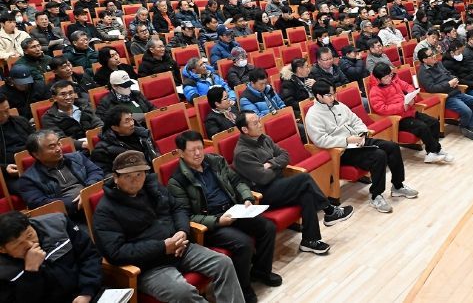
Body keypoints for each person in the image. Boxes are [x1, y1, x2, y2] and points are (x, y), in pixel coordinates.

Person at [92, 150, 245, 303]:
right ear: (115, 178)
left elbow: (178, 208)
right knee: (183, 292)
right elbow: (115, 252)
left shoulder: (153, 188)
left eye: (139, 174)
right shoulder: (105, 211)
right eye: (128, 176)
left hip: (180, 247)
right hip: (149, 265)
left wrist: (182, 231)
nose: (135, 180)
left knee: (223, 263)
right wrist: (163, 247)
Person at [168, 131, 279, 302]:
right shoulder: (177, 181)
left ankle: (260, 272)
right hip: (211, 224)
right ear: (181, 153)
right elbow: (186, 215)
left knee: (267, 227)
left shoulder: (215, 161)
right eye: (192, 150)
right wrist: (218, 221)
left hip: (234, 210)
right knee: (243, 244)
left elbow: (236, 181)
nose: (198, 153)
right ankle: (243, 288)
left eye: (200, 148)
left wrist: (247, 197)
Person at [233, 111, 353, 254]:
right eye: (255, 123)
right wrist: (278, 166)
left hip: (278, 184)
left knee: (307, 194)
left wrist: (271, 163)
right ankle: (329, 210)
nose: (260, 125)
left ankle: (310, 240)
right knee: (303, 178)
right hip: (263, 194)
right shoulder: (242, 153)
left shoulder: (264, 138)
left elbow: (286, 156)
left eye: (259, 121)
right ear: (245, 129)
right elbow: (263, 178)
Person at [305, 81, 417, 213]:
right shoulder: (313, 115)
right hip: (342, 150)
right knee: (378, 155)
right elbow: (320, 140)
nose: (333, 97)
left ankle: (397, 186)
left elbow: (355, 120)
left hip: (357, 140)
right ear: (318, 96)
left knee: (392, 147)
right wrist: (346, 140)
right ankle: (376, 196)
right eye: (329, 95)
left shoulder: (339, 105)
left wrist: (362, 132)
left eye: (334, 93)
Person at [0, 210, 102, 303]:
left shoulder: (58, 223)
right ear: (2, 249)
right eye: (19, 244)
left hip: (88, 293)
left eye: (30, 235)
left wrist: (87, 291)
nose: (30, 244)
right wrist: (31, 272)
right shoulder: (3, 272)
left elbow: (89, 255)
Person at [369, 63, 452, 164]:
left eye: (390, 75)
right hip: (397, 119)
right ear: (378, 79)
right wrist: (402, 106)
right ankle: (436, 150)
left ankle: (432, 152)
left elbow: (409, 87)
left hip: (409, 112)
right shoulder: (375, 91)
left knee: (434, 122)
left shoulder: (395, 81)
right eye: (386, 78)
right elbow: (382, 109)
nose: (389, 79)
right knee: (422, 127)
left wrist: (412, 97)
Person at [17, 129, 103, 219]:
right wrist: (76, 202)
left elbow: (96, 171)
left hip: (94, 200)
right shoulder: (28, 180)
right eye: (52, 147)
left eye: (58, 143)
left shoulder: (77, 157)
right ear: (36, 154)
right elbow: (40, 203)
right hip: (69, 216)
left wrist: (87, 190)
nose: (58, 149)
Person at [0, 95, 33, 195]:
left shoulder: (20, 121)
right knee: (30, 188)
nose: (4, 116)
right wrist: (4, 168)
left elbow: (36, 141)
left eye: (6, 111)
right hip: (10, 174)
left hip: (35, 164)